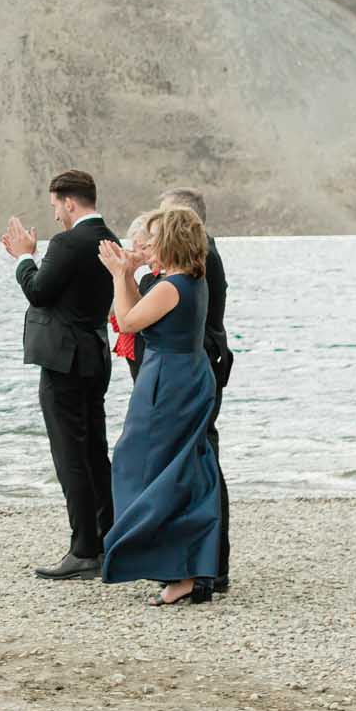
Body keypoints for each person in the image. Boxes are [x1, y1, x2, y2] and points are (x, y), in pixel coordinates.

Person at [97, 206, 223, 605]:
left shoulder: (173, 287)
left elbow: (128, 321)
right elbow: (136, 311)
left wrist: (120, 274)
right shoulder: (185, 281)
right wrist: (130, 275)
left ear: (170, 242)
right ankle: (184, 569)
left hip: (169, 381)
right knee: (177, 468)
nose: (147, 246)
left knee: (143, 466)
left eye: (153, 240)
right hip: (182, 375)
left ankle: (174, 569)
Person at [2, 168, 116, 579]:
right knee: (94, 453)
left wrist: (24, 257)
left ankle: (84, 548)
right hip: (95, 356)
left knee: (70, 455)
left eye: (55, 206)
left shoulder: (69, 243)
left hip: (64, 362)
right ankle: (108, 539)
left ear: (70, 201)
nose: (54, 216)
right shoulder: (110, 240)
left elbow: (38, 291)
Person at [127, 188, 233, 593]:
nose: (154, 233)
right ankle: (200, 566)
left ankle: (204, 566)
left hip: (186, 371)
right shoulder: (183, 268)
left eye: (162, 223)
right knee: (192, 463)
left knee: (194, 466)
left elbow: (134, 317)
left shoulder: (195, 266)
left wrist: (128, 271)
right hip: (185, 368)